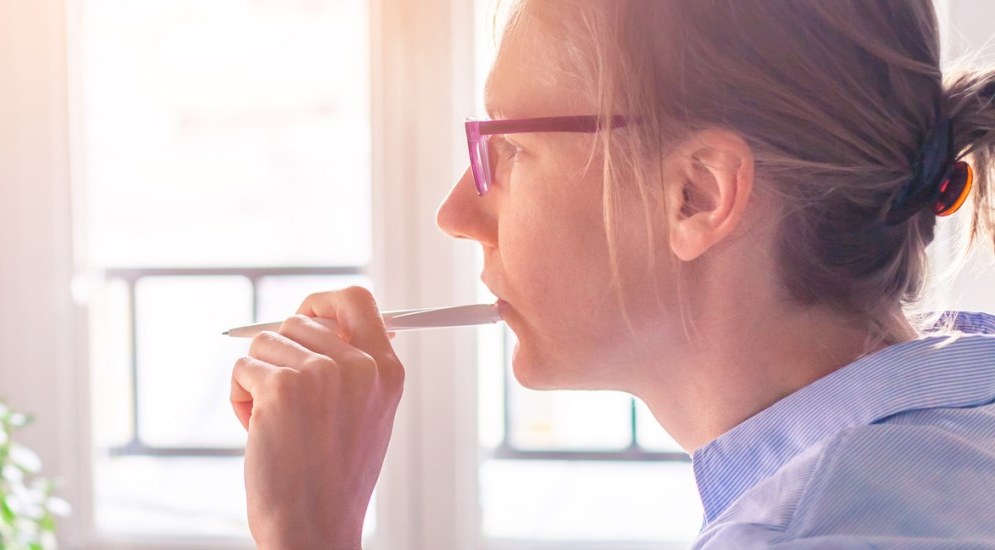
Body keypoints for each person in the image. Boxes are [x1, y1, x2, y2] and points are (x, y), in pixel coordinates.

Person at [228, 0, 995, 547]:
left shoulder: (813, 529)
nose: (457, 213)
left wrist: (308, 532)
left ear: (697, 194)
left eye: (511, 150)